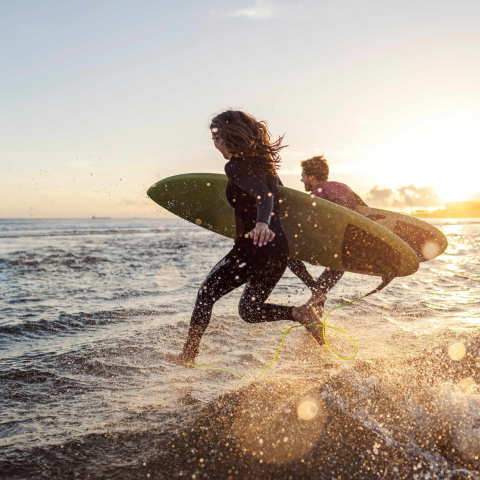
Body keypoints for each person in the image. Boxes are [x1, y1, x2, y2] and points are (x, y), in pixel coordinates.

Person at [167, 111, 324, 366]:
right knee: (249, 311)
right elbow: (278, 208)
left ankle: (188, 356)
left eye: (215, 137)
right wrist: (308, 280)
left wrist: (261, 223)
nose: (214, 143)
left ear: (227, 137)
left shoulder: (235, 166)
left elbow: (264, 196)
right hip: (277, 251)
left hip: (253, 249)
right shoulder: (269, 169)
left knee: (206, 293)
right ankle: (300, 313)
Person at [286, 156, 358, 311]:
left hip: (327, 244)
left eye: (303, 176)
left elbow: (305, 219)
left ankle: (314, 289)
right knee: (335, 268)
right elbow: (363, 213)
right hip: (345, 249)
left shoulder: (319, 191)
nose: (301, 180)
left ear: (311, 177)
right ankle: (316, 311)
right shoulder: (345, 187)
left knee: (285, 252)